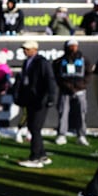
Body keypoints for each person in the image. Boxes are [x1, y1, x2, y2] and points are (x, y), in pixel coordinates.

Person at [14, 40, 57, 168]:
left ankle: (35, 157)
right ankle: (42, 155)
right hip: (31, 100)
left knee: (35, 128)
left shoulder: (42, 62)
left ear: (34, 49)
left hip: (40, 101)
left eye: (27, 48)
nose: (24, 51)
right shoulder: (27, 62)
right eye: (24, 49)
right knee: (33, 128)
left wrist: (50, 97)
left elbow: (49, 79)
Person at [52, 38, 92, 146]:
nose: (73, 48)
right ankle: (61, 134)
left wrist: (81, 85)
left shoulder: (84, 60)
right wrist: (66, 85)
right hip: (65, 90)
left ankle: (81, 135)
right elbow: (57, 76)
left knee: (81, 113)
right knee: (63, 112)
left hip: (80, 90)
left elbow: (88, 74)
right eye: (71, 46)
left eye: (75, 46)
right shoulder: (60, 61)